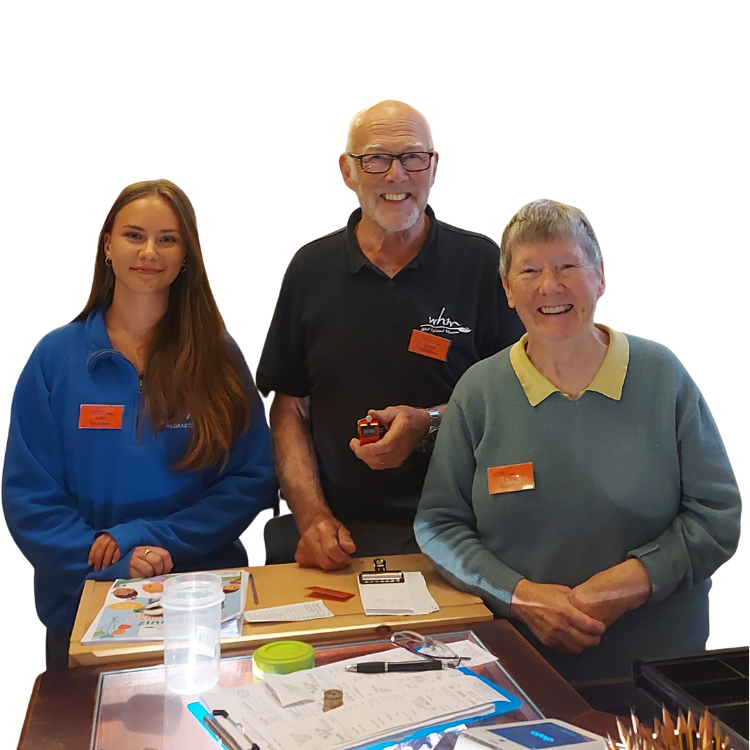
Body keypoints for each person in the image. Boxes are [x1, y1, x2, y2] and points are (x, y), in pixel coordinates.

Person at [414, 197, 742, 690]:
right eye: (529, 271)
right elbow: (438, 525)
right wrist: (520, 596)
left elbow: (716, 516)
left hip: (657, 674)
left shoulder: (663, 375)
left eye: (568, 265)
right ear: (506, 289)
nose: (550, 286)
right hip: (513, 667)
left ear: (600, 276)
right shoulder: (478, 392)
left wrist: (621, 588)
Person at [2, 179, 274, 668]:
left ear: (186, 255)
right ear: (106, 247)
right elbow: (29, 497)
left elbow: (248, 478)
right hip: (86, 602)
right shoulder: (55, 358)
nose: (150, 251)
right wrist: (106, 559)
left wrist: (152, 538)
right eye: (134, 235)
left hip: (201, 595)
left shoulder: (219, 355)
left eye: (168, 239)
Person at [256, 99, 524, 569]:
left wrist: (429, 424)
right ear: (346, 171)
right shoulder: (308, 270)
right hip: (340, 538)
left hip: (466, 532)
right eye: (376, 159)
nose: (396, 176)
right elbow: (289, 407)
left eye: (413, 158)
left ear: (434, 168)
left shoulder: (483, 265)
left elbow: (516, 400)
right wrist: (312, 517)